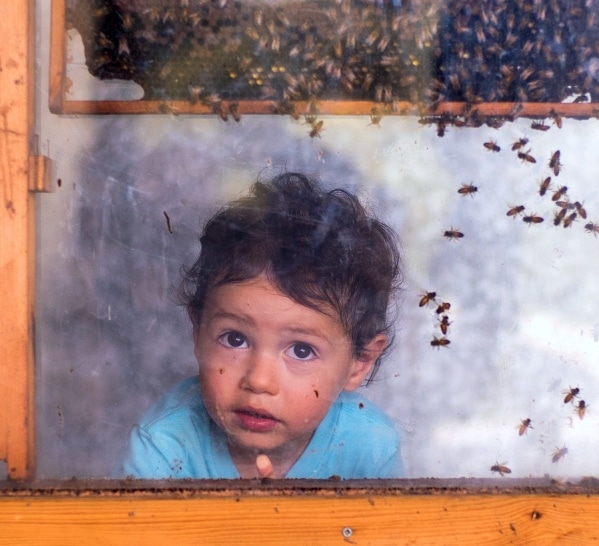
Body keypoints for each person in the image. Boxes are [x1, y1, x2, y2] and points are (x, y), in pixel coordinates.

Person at [116, 172, 403, 480]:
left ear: (359, 363)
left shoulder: (369, 447)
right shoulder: (166, 445)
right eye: (235, 339)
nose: (259, 381)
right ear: (198, 332)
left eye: (302, 350)